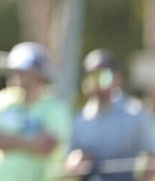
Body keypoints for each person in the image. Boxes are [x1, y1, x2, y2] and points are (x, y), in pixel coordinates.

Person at [0, 41, 71, 181]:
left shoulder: (55, 108)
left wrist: (3, 140)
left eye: (22, 72)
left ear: (38, 75)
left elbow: (45, 145)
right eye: (13, 71)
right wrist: (28, 142)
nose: (15, 76)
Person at [62, 49, 155, 181]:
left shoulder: (135, 114)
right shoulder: (79, 121)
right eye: (91, 76)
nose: (96, 83)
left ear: (117, 78)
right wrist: (73, 163)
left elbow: (152, 158)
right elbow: (68, 161)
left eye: (103, 76)